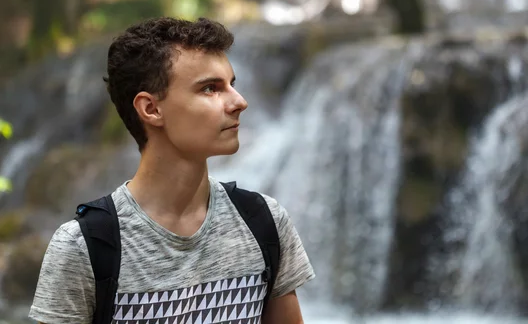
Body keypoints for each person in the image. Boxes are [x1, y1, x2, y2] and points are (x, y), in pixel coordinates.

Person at [29, 17, 315, 324]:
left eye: (232, 84)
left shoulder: (265, 223)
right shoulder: (83, 247)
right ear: (151, 109)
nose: (239, 102)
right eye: (210, 88)